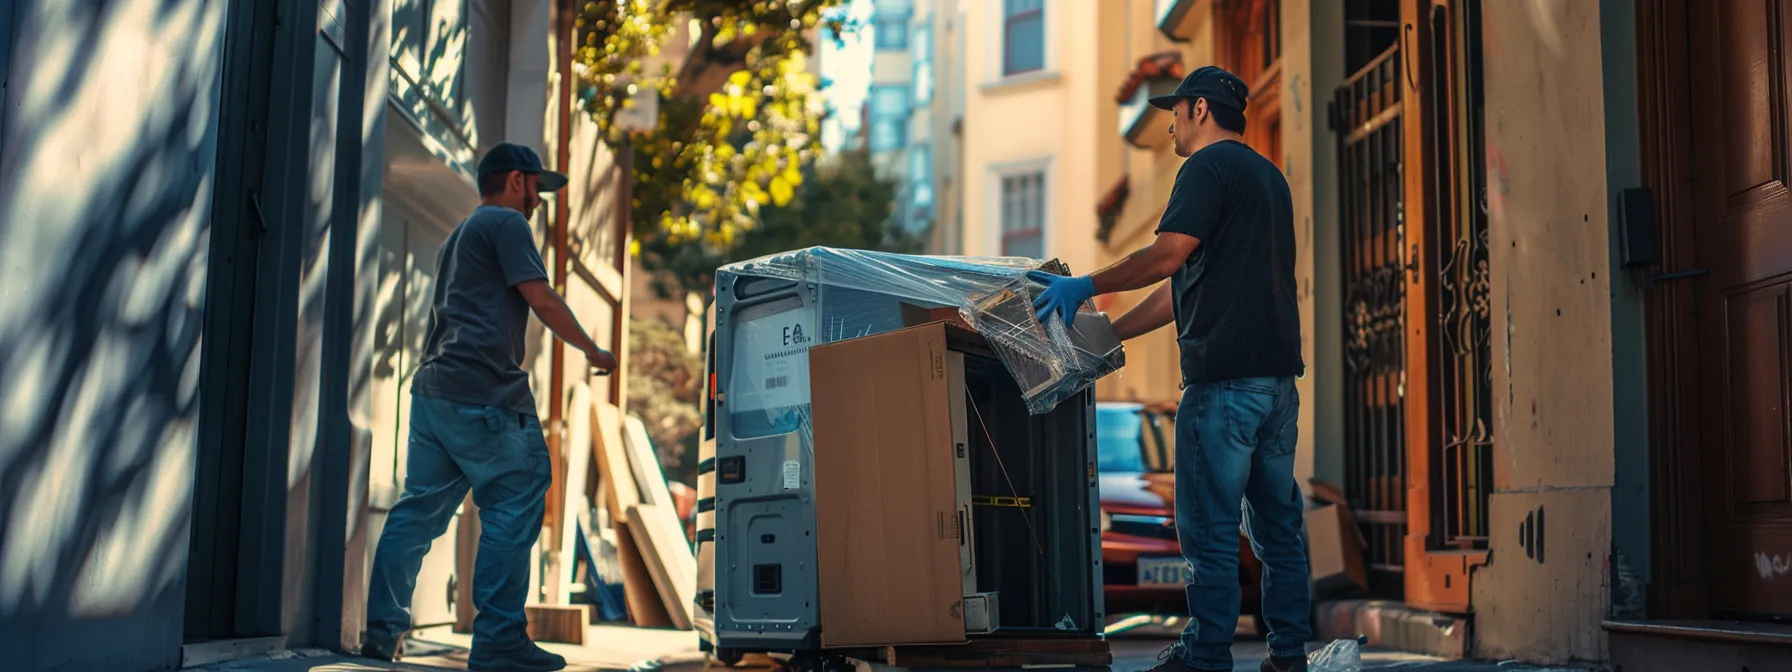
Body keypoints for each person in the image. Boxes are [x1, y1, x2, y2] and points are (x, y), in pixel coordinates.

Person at [1030, 66, 1310, 672]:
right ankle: (1289, 653)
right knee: (1277, 528)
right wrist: (1108, 334)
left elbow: (1167, 254)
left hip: (1223, 385)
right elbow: (1182, 285)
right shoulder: (1269, 179)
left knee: (1208, 529)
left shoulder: (1205, 170)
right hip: (1277, 388)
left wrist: (1086, 284)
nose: (1171, 124)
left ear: (1201, 110)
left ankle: (1207, 655)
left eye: (1176, 112)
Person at [361, 143, 617, 672]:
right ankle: (499, 639)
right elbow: (541, 299)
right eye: (538, 189)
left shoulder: (457, 237)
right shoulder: (506, 224)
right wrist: (592, 349)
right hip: (483, 392)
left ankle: (382, 631)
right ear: (518, 180)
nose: (540, 202)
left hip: (435, 391)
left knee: (416, 514)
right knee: (519, 493)